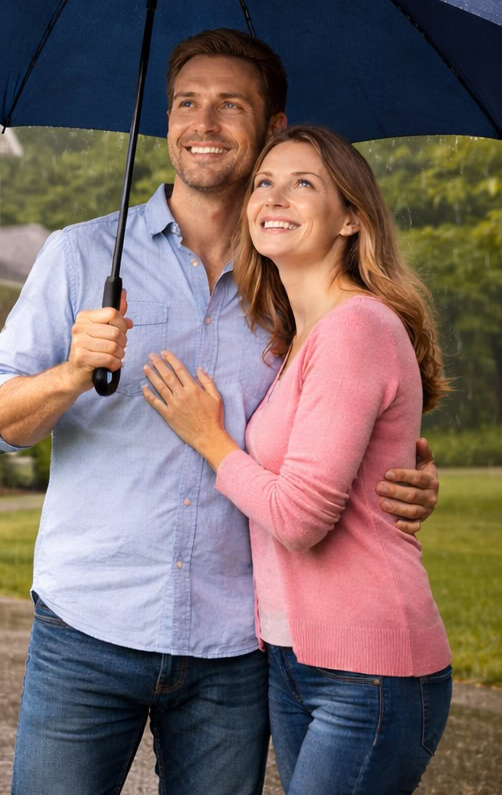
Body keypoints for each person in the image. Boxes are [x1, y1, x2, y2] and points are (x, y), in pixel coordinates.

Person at [0, 28, 440, 795]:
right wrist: (71, 373)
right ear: (165, 122)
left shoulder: (295, 289)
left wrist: (403, 475)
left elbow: (339, 423)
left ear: (271, 128)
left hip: (235, 649)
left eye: (230, 105)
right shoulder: (82, 258)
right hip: (89, 627)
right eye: (187, 102)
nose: (204, 122)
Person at [142, 124, 452, 794]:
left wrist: (209, 438)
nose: (274, 198)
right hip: (295, 657)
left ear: (350, 218)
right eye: (263, 183)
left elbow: (303, 516)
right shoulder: (299, 339)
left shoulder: (355, 328)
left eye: (302, 183)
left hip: (368, 667)